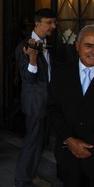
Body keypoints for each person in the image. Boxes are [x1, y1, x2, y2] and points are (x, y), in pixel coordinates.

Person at [14, 8, 57, 187]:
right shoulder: (24, 45)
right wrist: (32, 58)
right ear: (37, 23)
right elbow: (28, 78)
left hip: (48, 101)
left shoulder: (48, 42)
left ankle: (30, 174)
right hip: (35, 103)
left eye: (54, 22)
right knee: (32, 142)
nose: (54, 26)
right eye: (49, 23)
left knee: (39, 142)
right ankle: (22, 180)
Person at [48, 24, 94, 187]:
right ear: (77, 45)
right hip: (68, 156)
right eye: (88, 46)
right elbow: (52, 110)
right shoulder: (61, 73)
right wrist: (69, 139)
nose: (93, 52)